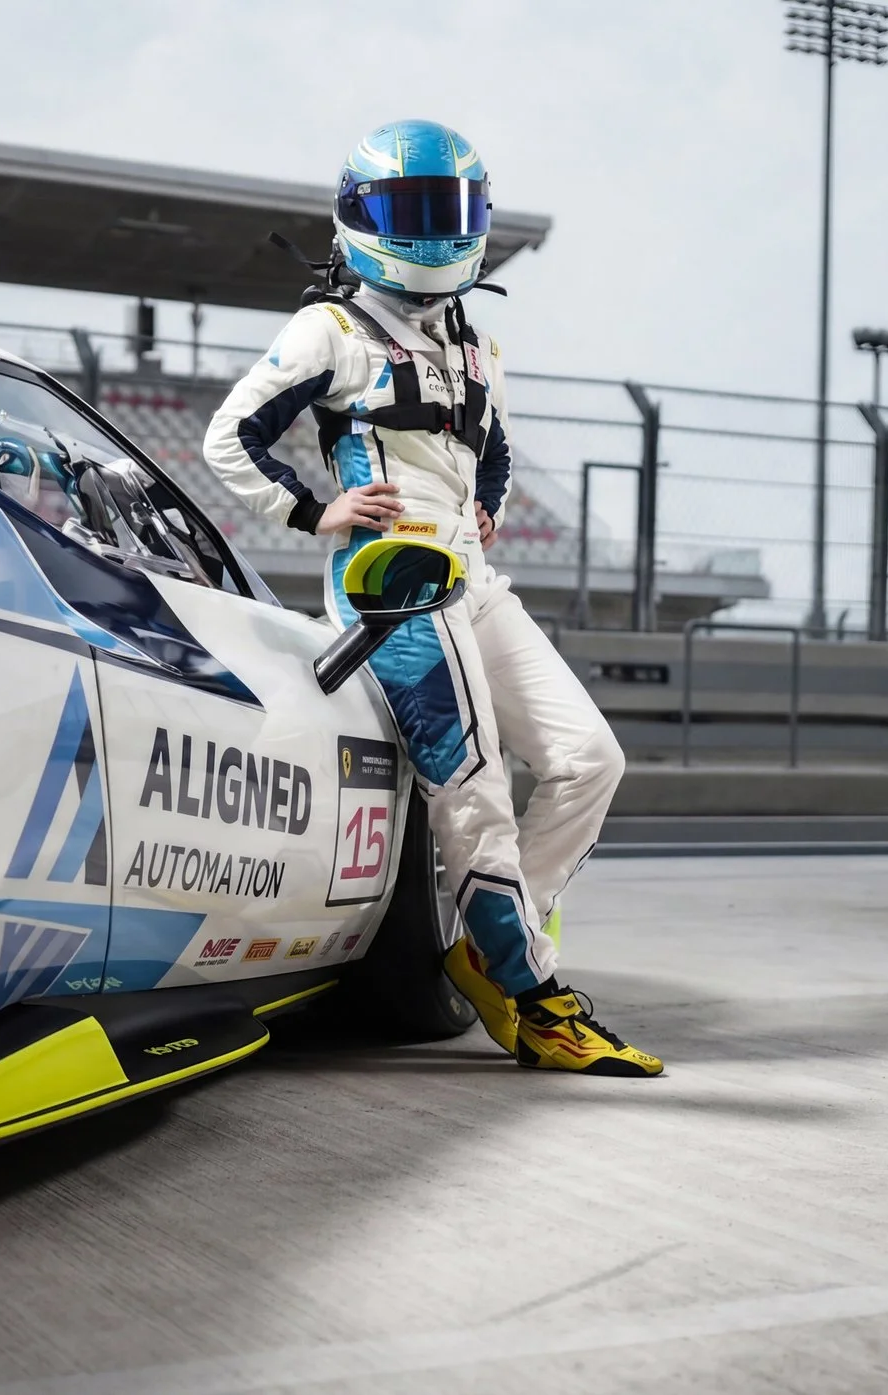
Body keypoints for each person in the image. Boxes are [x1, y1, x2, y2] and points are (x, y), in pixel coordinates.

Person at [203, 120, 660, 1077]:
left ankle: (488, 946)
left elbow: (490, 450)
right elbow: (228, 439)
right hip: (393, 591)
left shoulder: (478, 344)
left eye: (447, 211)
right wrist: (313, 512)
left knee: (590, 759)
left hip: (475, 582)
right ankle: (531, 995)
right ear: (361, 216)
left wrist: (487, 509)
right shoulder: (328, 330)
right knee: (477, 784)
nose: (430, 231)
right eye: (408, 211)